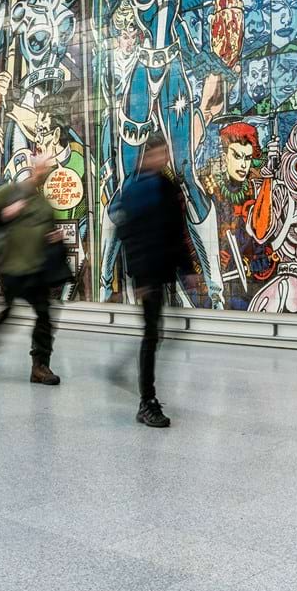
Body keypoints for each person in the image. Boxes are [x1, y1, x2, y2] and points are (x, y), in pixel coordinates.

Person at [109, 138, 196, 428]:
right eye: (158, 153)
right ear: (147, 156)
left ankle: (130, 377)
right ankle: (146, 401)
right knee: (151, 334)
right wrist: (139, 277)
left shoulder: (165, 186)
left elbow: (176, 229)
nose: (163, 158)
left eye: (166, 154)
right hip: (149, 272)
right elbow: (128, 235)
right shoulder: (137, 190)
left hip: (162, 269)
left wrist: (187, 269)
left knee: (155, 332)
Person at [0, 153, 64, 384]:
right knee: (8, 311)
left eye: (47, 169)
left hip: (37, 269)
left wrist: (54, 237)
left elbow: (48, 231)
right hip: (11, 267)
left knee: (44, 315)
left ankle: (40, 367)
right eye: (41, 168)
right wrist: (5, 213)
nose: (43, 173)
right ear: (33, 168)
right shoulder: (11, 191)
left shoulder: (45, 205)